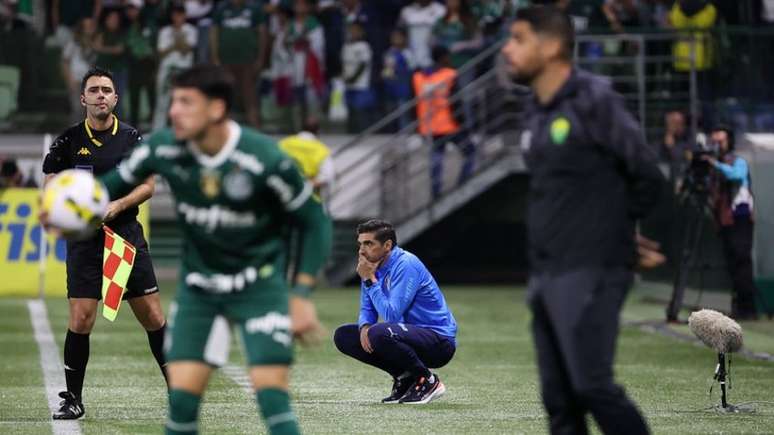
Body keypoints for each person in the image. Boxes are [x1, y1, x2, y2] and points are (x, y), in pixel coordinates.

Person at [95, 64, 331, 434]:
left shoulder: (264, 158)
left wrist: (300, 294)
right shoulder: (163, 147)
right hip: (200, 290)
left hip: (259, 287)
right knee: (182, 405)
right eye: (173, 101)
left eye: (186, 102)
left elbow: (315, 222)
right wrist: (67, 205)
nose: (174, 111)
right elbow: (108, 185)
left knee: (273, 401)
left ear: (217, 109)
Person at [501, 6, 664, 434]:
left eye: (518, 39)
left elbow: (646, 174)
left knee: (592, 385)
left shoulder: (595, 99)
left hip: (591, 269)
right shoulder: (535, 110)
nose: (507, 49)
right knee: (559, 400)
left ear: (552, 46)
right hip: (546, 272)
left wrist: (616, 240)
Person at [41, 67, 167, 420]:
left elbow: (148, 186)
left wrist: (118, 205)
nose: (100, 95)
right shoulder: (67, 141)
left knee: (153, 316)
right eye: (93, 90)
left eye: (106, 90)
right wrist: (65, 209)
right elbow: (51, 185)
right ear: (83, 99)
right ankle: (73, 399)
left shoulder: (131, 139)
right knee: (81, 319)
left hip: (125, 237)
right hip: (85, 241)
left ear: (115, 98)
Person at [333, 219, 457, 405]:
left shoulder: (406, 264)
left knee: (379, 333)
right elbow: (367, 308)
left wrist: (369, 281)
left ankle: (428, 381)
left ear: (387, 245)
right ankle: (406, 376)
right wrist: (365, 326)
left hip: (438, 342)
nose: (361, 250)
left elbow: (391, 314)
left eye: (369, 244)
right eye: (360, 244)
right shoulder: (371, 266)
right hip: (405, 337)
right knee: (344, 335)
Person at [704, 126, 759, 320]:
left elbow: (736, 175)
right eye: (714, 141)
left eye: (721, 140)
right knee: (732, 263)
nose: (717, 145)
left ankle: (748, 307)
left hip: (740, 216)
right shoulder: (714, 166)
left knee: (741, 260)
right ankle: (740, 305)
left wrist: (715, 164)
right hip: (725, 219)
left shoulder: (738, 162)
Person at [413, 45, 474, 198]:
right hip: (450, 125)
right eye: (447, 56)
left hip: (429, 126)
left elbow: (414, 103)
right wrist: (464, 123)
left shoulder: (419, 77)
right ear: (443, 57)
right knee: (471, 152)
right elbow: (456, 103)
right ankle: (462, 184)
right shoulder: (450, 75)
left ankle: (436, 193)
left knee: (436, 158)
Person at [210, 0, 267, 128]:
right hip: (225, 60)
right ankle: (222, 131)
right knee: (225, 96)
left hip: (248, 60)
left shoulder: (255, 9)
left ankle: (257, 131)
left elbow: (262, 34)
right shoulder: (221, 9)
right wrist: (215, 57)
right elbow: (214, 33)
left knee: (250, 96)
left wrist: (260, 59)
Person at [153, 4, 197, 130]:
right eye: (175, 14)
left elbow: (186, 49)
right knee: (163, 102)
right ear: (172, 16)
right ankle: (158, 130)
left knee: (183, 101)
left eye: (180, 14)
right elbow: (161, 52)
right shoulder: (165, 31)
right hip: (167, 68)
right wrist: (176, 43)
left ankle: (182, 129)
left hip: (184, 70)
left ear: (184, 15)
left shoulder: (191, 30)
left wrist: (176, 42)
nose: (178, 17)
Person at [278, 117, 335, 205]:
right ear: (318, 131)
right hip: (310, 201)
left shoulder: (284, 143)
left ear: (301, 128)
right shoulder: (321, 149)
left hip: (284, 197)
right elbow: (327, 176)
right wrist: (307, 185)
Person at [125, 0, 157, 128]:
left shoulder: (149, 24)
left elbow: (153, 44)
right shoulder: (126, 25)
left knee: (151, 94)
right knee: (134, 96)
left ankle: (153, 124)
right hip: (133, 63)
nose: (131, 12)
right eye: (129, 9)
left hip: (148, 63)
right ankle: (133, 126)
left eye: (134, 9)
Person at [341, 21, 374, 133]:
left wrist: (353, 78)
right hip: (348, 84)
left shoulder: (364, 46)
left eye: (356, 30)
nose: (353, 32)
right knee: (350, 111)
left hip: (361, 84)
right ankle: (351, 134)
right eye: (351, 30)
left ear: (361, 32)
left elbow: (363, 64)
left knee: (360, 111)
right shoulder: (346, 46)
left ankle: (363, 134)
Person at [382, 28, 416, 131]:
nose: (395, 39)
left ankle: (406, 133)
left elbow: (412, 69)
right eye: (393, 37)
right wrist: (386, 75)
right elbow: (387, 69)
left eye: (398, 37)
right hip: (391, 87)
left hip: (404, 87)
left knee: (404, 113)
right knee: (392, 114)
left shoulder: (408, 53)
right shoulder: (389, 52)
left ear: (404, 38)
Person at [399, 0, 447, 68]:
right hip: (412, 60)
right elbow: (400, 33)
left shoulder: (441, 10)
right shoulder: (406, 11)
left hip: (434, 59)